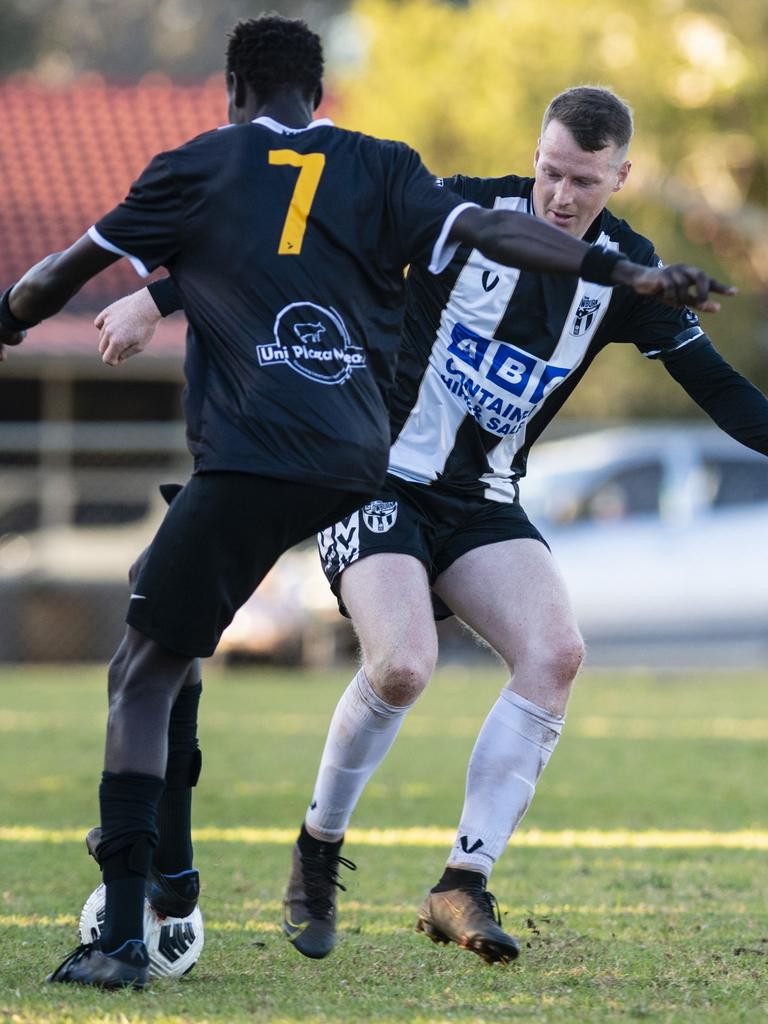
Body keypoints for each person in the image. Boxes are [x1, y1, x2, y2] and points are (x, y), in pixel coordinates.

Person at [69, 77, 738, 982]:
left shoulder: (628, 272)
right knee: (404, 664)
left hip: (482, 498)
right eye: (549, 172)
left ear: (622, 174)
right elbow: (304, 249)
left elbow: (722, 391)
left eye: (584, 180)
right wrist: (162, 294)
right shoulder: (464, 212)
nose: (560, 196)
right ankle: (316, 849)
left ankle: (464, 879)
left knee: (557, 654)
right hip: (372, 476)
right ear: (533, 157)